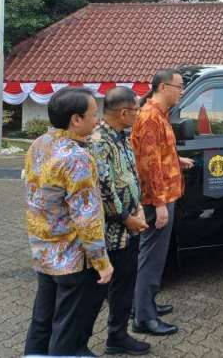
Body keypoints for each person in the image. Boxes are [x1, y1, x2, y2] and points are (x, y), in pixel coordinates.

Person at [23, 87, 113, 357]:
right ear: (76, 119)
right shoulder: (77, 157)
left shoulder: (38, 144)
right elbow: (87, 218)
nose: (97, 121)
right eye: (93, 115)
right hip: (71, 257)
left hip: (43, 251)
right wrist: (102, 262)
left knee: (42, 319)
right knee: (66, 329)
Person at [131, 69, 195, 336]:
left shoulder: (159, 115)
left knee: (155, 255)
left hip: (165, 193)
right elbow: (148, 165)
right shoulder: (149, 117)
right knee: (152, 258)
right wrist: (158, 204)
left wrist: (176, 160)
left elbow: (157, 152)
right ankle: (143, 317)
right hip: (158, 197)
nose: (182, 91)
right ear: (163, 87)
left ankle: (144, 304)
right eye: (179, 86)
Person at [87, 87, 150, 356]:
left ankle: (117, 336)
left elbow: (128, 177)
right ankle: (77, 343)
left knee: (124, 286)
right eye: (136, 110)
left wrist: (138, 208)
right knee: (97, 292)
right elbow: (103, 186)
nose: (138, 114)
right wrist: (126, 217)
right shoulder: (100, 141)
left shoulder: (121, 137)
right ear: (124, 113)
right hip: (111, 231)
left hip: (130, 226)